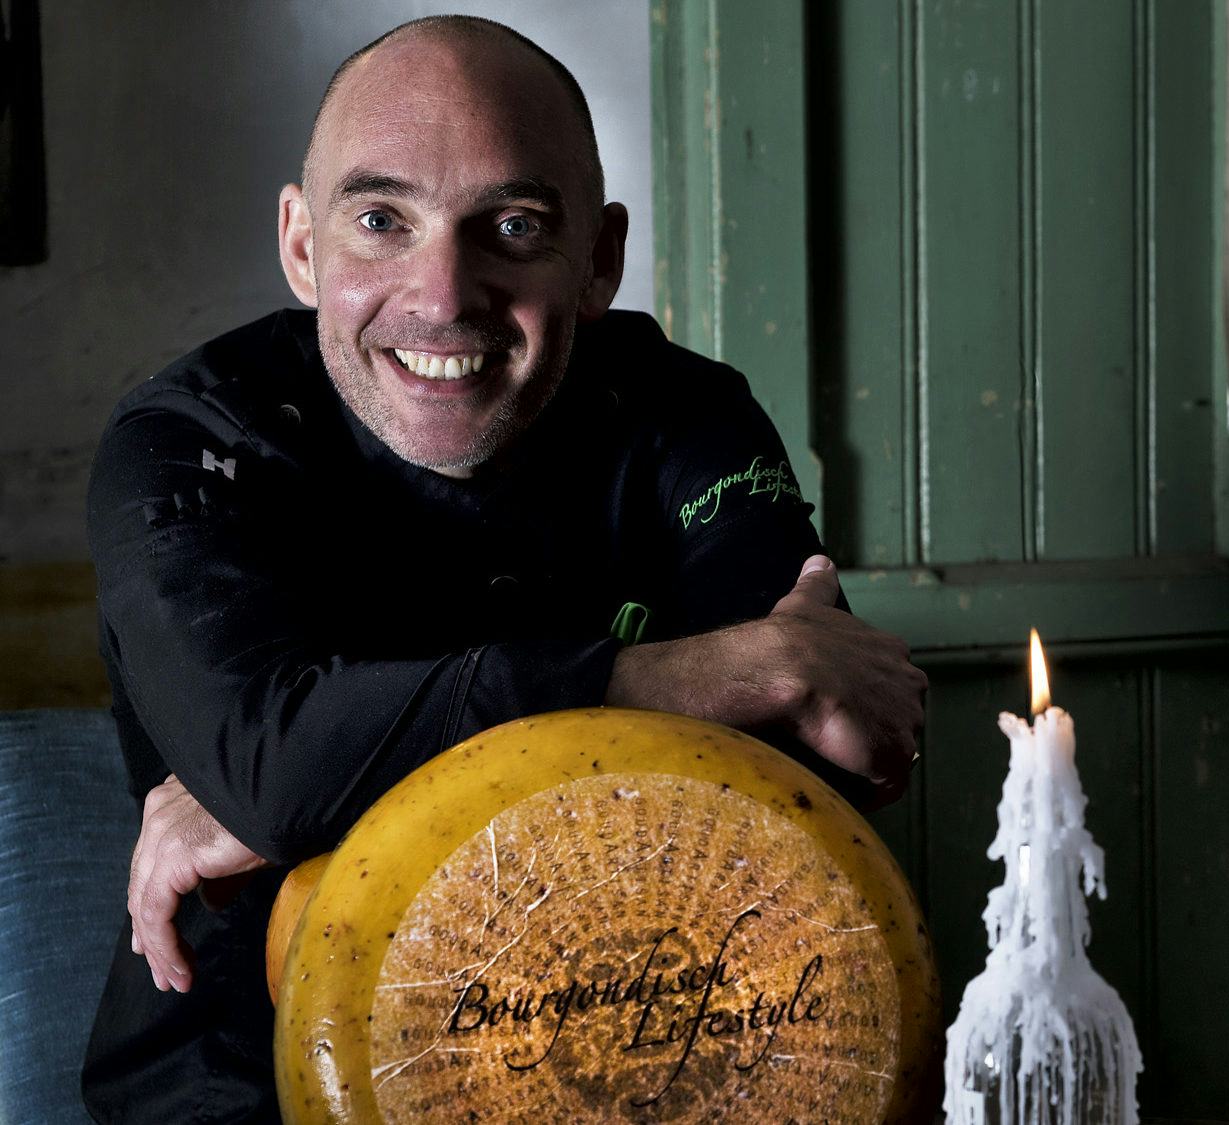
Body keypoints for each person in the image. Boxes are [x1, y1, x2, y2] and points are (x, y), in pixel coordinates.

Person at [78, 15, 926, 1122]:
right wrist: (708, 672)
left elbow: (832, 754)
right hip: (247, 1081)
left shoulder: (683, 413)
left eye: (513, 227)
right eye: (380, 220)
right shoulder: (187, 442)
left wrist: (319, 774)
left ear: (599, 259)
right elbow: (278, 774)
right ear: (302, 245)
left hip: (653, 1045)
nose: (442, 296)